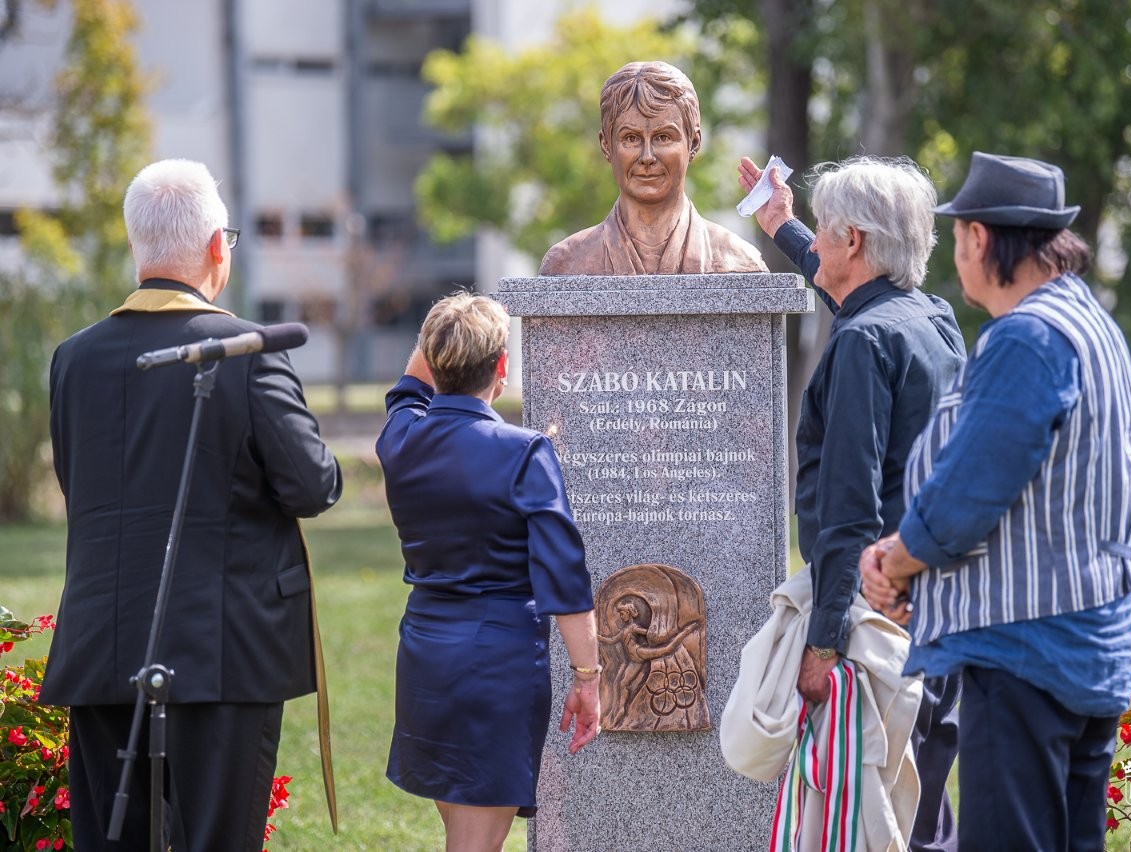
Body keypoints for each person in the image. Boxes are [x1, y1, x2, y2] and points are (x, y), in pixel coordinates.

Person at [42, 159, 343, 850]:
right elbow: (312, 485)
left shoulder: (73, 359)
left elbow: (78, 483)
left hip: (102, 643)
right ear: (216, 246)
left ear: (135, 245)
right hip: (223, 649)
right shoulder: (247, 352)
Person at [860, 152, 1131, 851]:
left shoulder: (1028, 338)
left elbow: (970, 491)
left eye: (958, 237)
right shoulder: (1090, 322)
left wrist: (895, 562)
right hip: (1090, 646)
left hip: (1027, 656)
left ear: (980, 238)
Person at [738, 155, 967, 851]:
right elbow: (853, 291)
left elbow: (848, 509)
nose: (817, 243)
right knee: (923, 801)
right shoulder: (929, 317)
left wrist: (823, 644)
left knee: (879, 819)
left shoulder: (865, 343)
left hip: (876, 616)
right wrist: (783, 225)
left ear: (856, 241)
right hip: (938, 605)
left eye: (824, 230)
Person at [377, 292, 601, 852]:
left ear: (433, 359)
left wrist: (442, 333)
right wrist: (588, 677)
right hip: (497, 668)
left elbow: (408, 385)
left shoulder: (399, 438)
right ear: (502, 365)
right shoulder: (524, 452)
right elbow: (565, 578)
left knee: (463, 833)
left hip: (425, 658)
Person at [540, 60, 766, 275]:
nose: (647, 157)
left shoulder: (738, 261)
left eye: (663, 137)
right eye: (631, 138)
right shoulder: (565, 263)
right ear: (606, 145)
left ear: (694, 143)